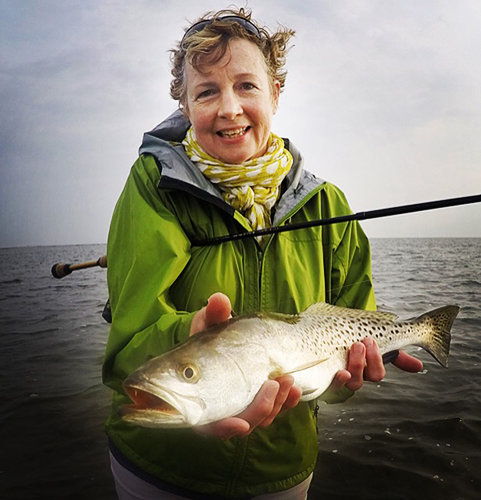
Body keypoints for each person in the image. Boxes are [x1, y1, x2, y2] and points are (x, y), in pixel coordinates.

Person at [103, 8, 422, 500]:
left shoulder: (329, 205)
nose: (229, 107)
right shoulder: (154, 186)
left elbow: (347, 338)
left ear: (276, 93)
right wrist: (189, 345)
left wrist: (348, 376)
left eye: (247, 86)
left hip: (281, 472)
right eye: (206, 91)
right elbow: (127, 351)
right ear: (185, 106)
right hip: (158, 469)